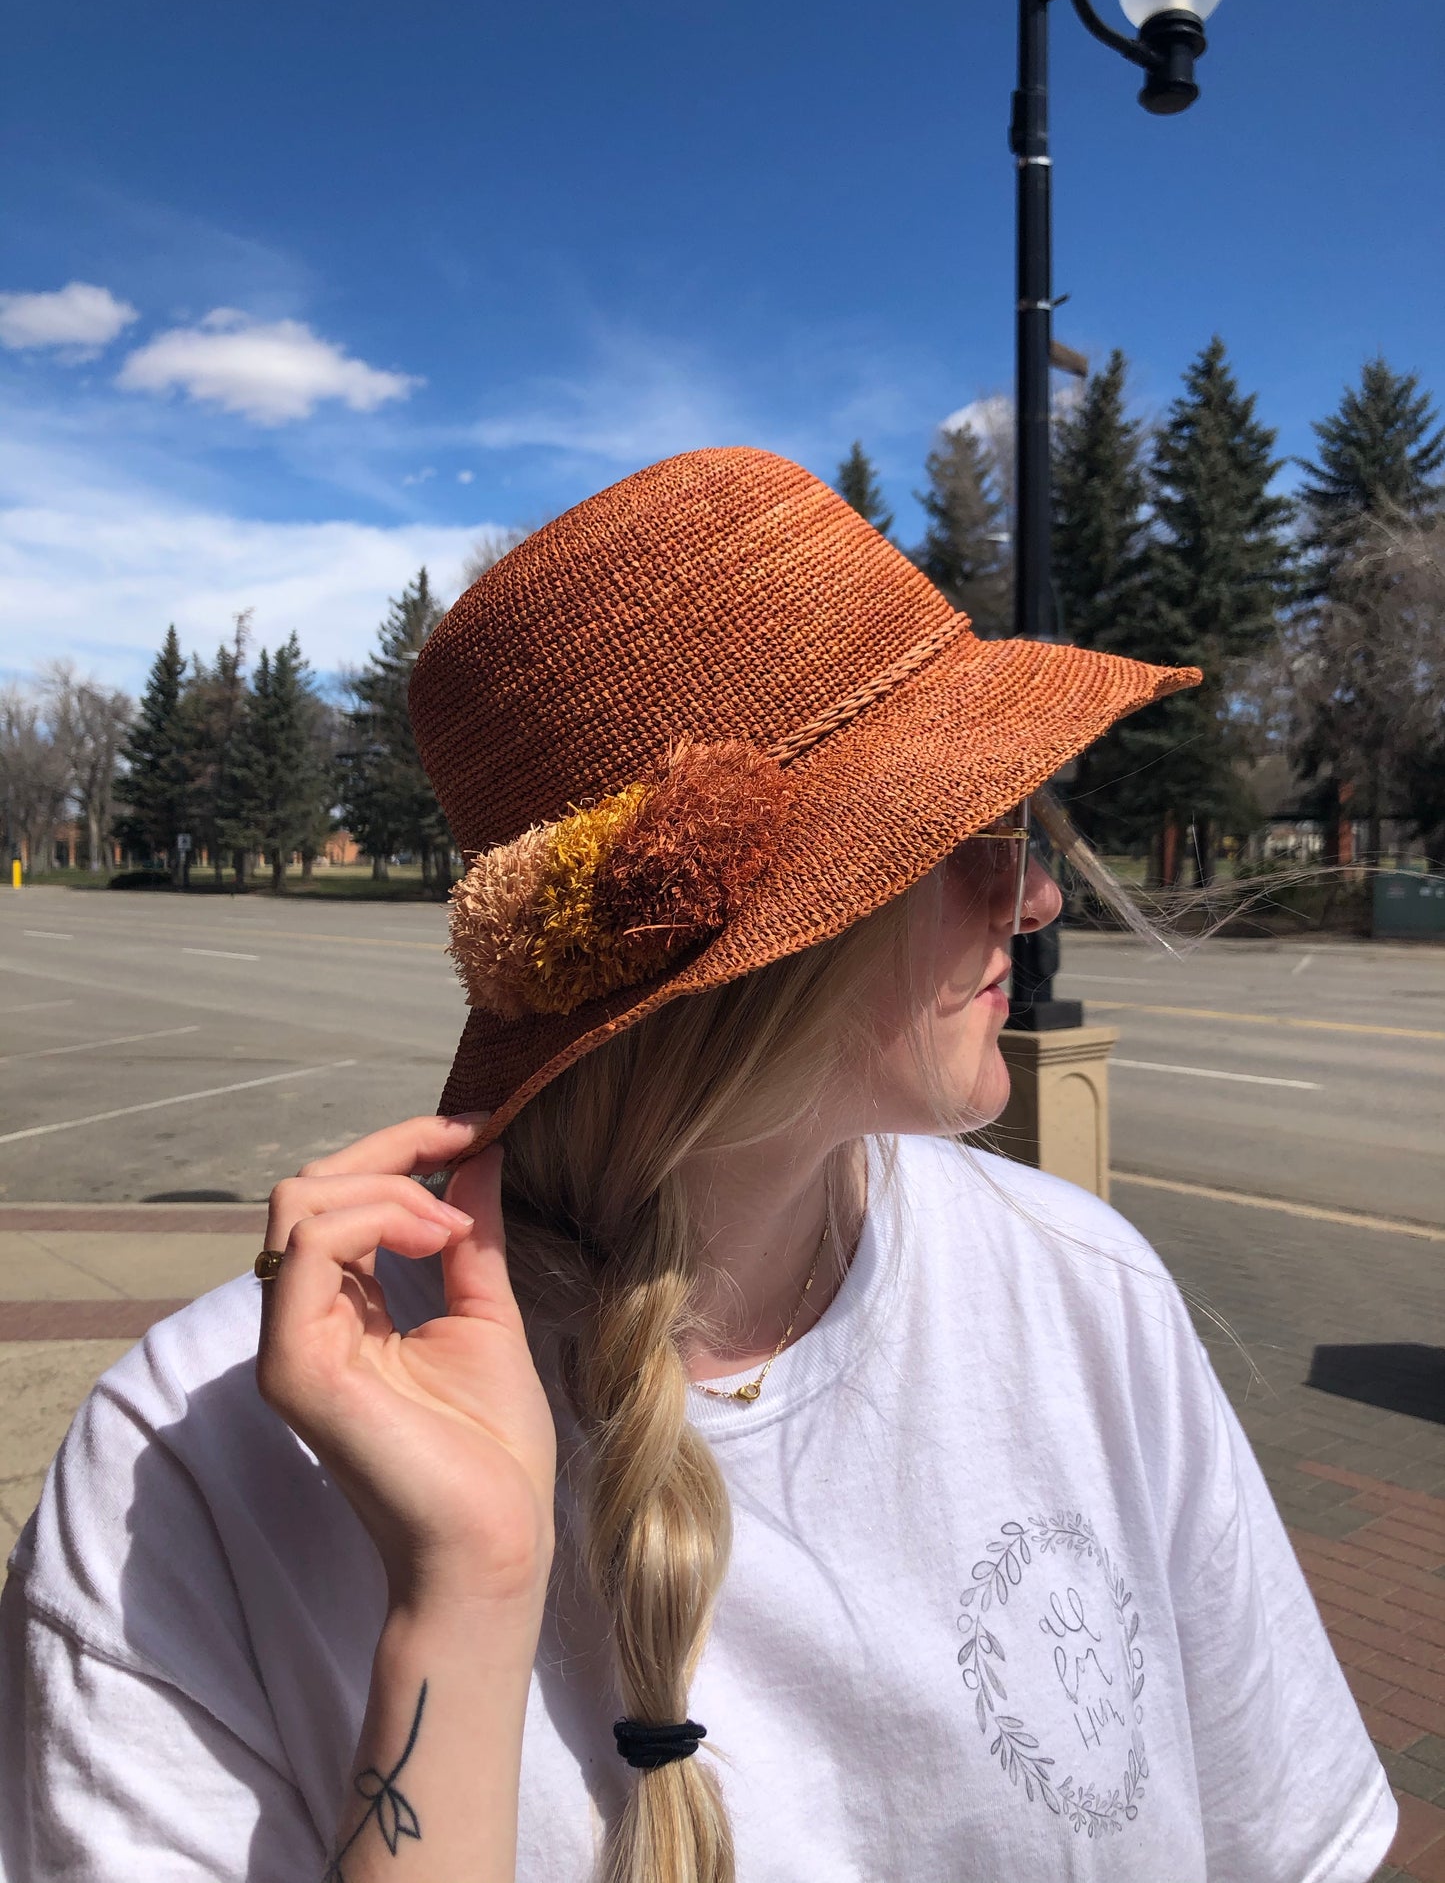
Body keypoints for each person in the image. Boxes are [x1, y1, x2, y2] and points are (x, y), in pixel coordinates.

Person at [0, 448, 1395, 1883]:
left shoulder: (1082, 1290)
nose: (1036, 898)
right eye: (971, 838)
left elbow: (1287, 1844)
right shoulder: (194, 1465)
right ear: (763, 946)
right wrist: (462, 1604)